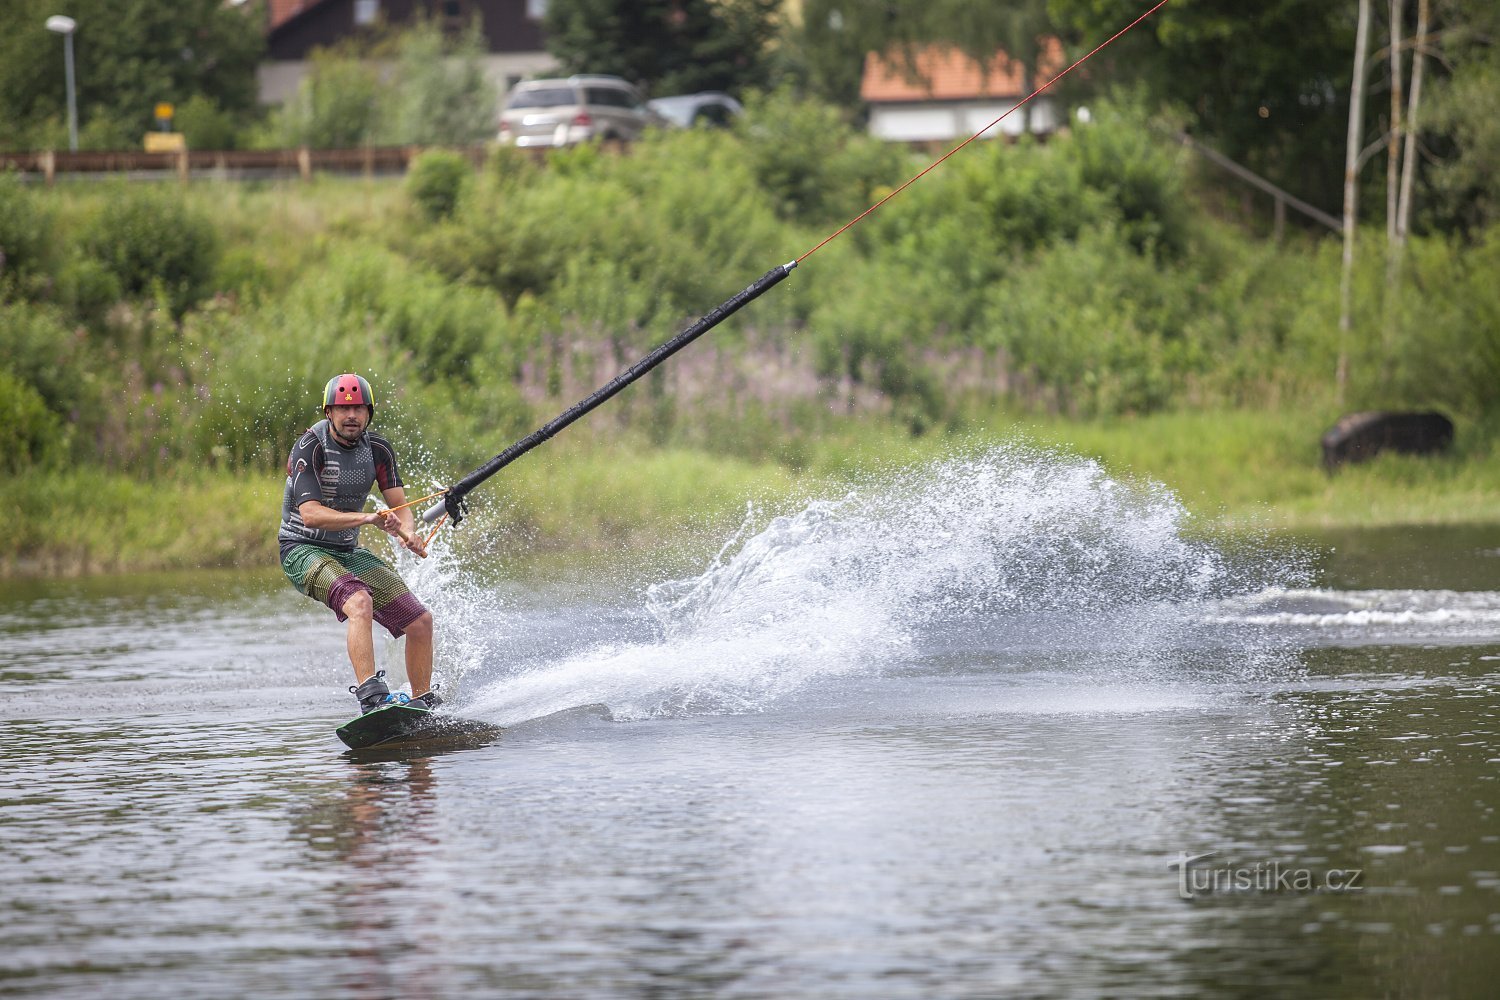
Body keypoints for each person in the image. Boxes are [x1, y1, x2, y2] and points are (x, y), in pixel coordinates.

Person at [278, 373, 441, 715]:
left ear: (369, 413)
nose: (350, 416)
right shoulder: (310, 447)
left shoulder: (378, 451)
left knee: (421, 622)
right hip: (302, 549)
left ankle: (421, 702)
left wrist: (407, 532)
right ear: (328, 413)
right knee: (359, 601)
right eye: (342, 409)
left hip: (348, 553)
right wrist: (368, 518)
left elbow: (399, 505)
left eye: (358, 410)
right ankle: (371, 697)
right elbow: (310, 515)